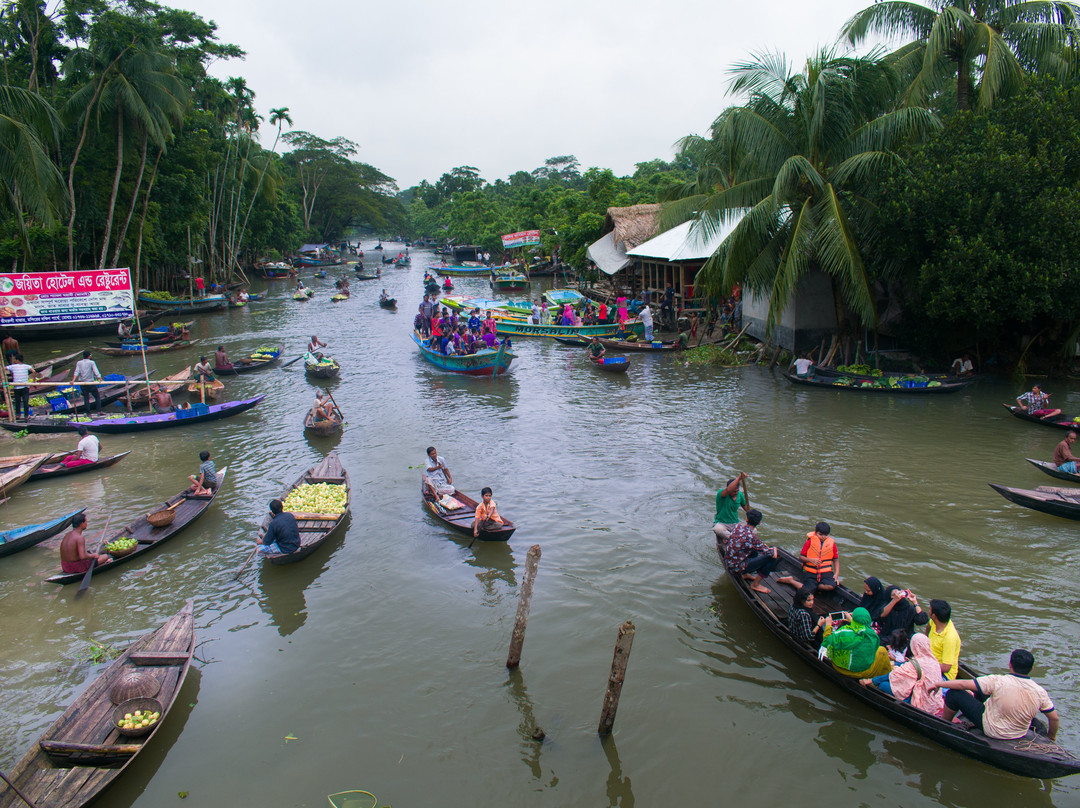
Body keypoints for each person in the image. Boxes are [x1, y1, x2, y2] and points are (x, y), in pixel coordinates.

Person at [932, 649, 1059, 742]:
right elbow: (1054, 719)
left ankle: (945, 724)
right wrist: (1051, 737)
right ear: (1031, 669)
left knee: (954, 694)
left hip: (993, 729)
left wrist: (939, 683)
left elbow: (963, 684)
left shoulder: (998, 681)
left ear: (1010, 665)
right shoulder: (1040, 691)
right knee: (980, 689)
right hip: (1019, 732)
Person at [862, 633, 945, 716]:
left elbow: (894, 675)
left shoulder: (916, 663)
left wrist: (872, 680)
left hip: (922, 703)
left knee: (883, 685)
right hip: (935, 702)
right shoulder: (934, 661)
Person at [820, 607, 893, 678]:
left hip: (840, 668)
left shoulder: (844, 632)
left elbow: (827, 640)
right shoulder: (872, 635)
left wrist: (828, 625)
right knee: (882, 650)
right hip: (862, 671)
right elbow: (862, 630)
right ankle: (886, 676)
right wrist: (852, 621)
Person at [724, 509, 780, 594]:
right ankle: (755, 584)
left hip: (728, 562)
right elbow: (773, 554)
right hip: (736, 568)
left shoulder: (737, 526)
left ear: (747, 519)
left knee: (755, 549)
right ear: (759, 523)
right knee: (771, 557)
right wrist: (774, 549)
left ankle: (746, 574)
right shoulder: (752, 538)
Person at [798, 522, 839, 593]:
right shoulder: (809, 542)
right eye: (820, 534)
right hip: (810, 571)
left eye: (826, 535)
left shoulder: (832, 544)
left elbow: (836, 560)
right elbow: (801, 557)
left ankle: (815, 587)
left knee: (832, 585)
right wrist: (810, 560)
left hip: (825, 572)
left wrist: (836, 574)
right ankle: (791, 581)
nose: (823, 537)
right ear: (816, 533)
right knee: (808, 590)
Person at [928, 599, 962, 679]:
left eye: (929, 610)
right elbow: (928, 628)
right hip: (930, 662)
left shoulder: (949, 638)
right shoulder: (934, 622)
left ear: (934, 616)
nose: (928, 611)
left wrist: (925, 664)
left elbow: (946, 668)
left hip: (944, 675)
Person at [712, 472, 749, 544]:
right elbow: (729, 489)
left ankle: (731, 538)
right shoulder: (722, 494)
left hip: (735, 524)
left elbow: (746, 508)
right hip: (722, 523)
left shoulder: (740, 495)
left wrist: (750, 516)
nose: (735, 493)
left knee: (753, 530)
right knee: (718, 529)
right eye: (733, 491)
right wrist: (739, 478)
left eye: (737, 491)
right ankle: (736, 539)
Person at [73, 350, 103, 416]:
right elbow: (96, 371)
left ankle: (88, 413)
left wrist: (73, 380)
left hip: (82, 383)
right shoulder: (92, 362)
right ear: (89, 356)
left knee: (86, 398)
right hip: (90, 383)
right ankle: (99, 411)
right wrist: (100, 379)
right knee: (97, 397)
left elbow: (76, 372)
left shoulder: (79, 362)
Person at [6, 352, 35, 420]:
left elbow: (4, 368)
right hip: (25, 386)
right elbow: (33, 372)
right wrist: (34, 381)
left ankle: (18, 415)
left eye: (14, 359)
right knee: (25, 401)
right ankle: (26, 415)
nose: (14, 361)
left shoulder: (12, 366)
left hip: (17, 386)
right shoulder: (27, 366)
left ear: (17, 360)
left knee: (17, 401)